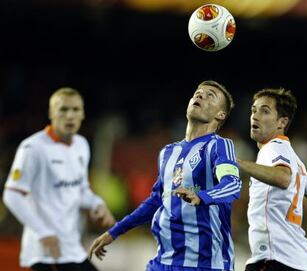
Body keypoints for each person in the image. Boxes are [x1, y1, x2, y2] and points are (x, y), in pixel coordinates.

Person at [89, 80, 242, 271]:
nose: (200, 95)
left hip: (204, 264)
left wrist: (201, 196)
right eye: (198, 92)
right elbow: (155, 201)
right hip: (164, 261)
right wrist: (115, 232)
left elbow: (232, 185)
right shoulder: (168, 152)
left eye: (210, 95)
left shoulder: (218, 145)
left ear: (221, 115)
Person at [2, 87, 115, 271]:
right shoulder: (33, 147)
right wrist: (43, 232)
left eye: (75, 109)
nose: (70, 116)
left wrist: (96, 204)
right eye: (63, 109)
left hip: (72, 248)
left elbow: (81, 189)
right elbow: (11, 195)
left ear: (83, 114)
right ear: (51, 113)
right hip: (45, 251)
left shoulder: (81, 145)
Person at [237, 88, 307, 271]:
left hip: (275, 259)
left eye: (264, 111)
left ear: (282, 123)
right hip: (295, 261)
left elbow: (283, 178)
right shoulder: (296, 161)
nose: (255, 116)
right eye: (253, 110)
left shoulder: (274, 148)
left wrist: (237, 163)